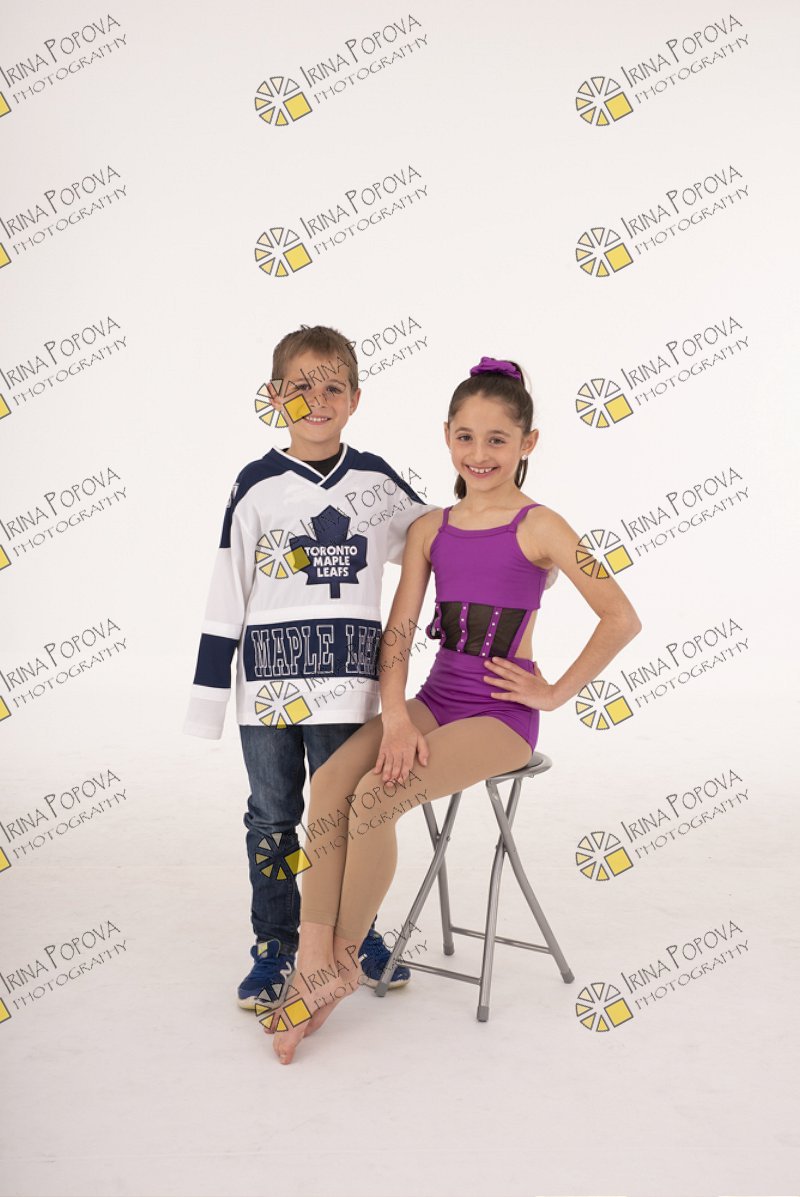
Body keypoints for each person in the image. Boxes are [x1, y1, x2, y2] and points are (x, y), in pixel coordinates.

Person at [263, 355, 642, 1064]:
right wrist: (397, 716)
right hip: (437, 699)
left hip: (500, 717)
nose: (480, 453)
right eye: (465, 436)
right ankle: (314, 954)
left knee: (376, 796)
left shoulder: (542, 525)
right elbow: (400, 630)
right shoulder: (431, 528)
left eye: (498, 439)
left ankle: (341, 962)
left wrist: (552, 692)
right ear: (446, 437)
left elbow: (621, 616)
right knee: (333, 781)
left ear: (528, 443)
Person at [183, 324, 437, 1015]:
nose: (317, 401)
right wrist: (208, 699)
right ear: (275, 397)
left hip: (348, 692)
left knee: (348, 813)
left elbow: (435, 537)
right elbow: (226, 589)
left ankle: (355, 933)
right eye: (301, 387)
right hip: (267, 693)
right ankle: (275, 945)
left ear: (355, 398)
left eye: (333, 387)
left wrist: (519, 547)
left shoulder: (375, 481)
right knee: (273, 819)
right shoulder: (257, 484)